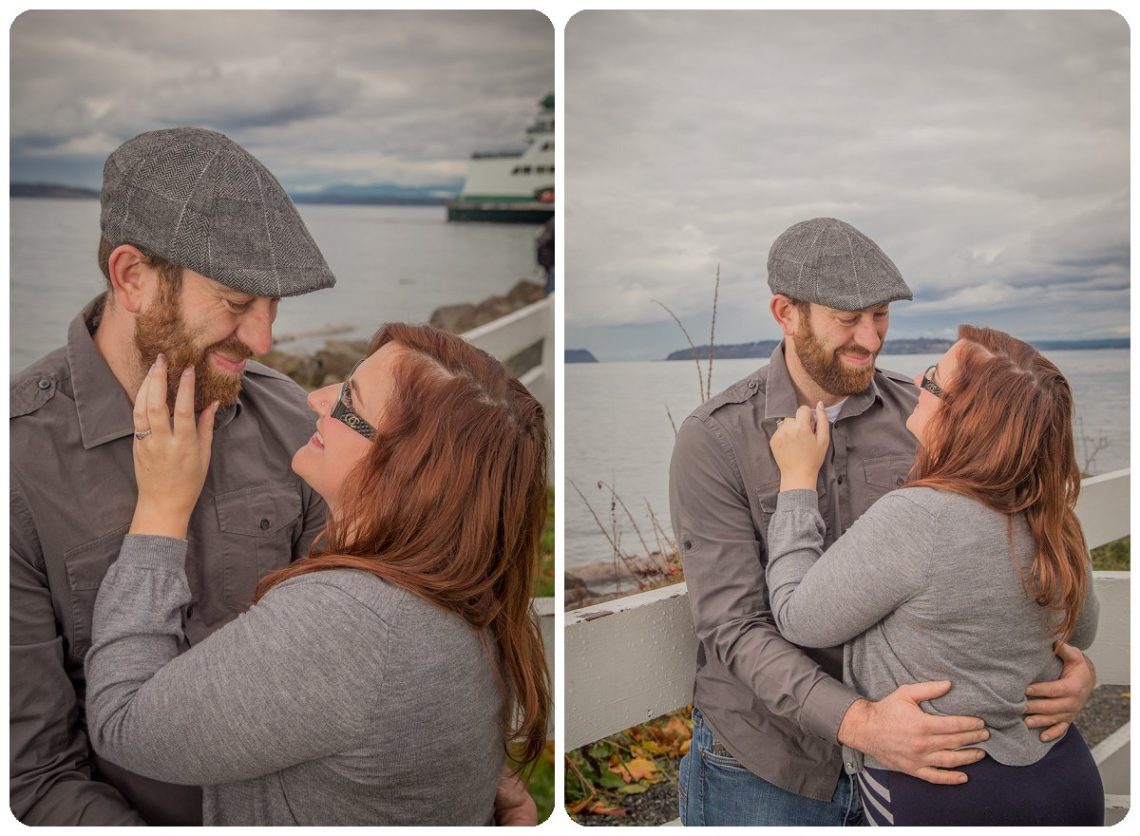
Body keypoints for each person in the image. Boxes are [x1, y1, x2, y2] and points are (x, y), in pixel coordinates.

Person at [9, 127, 535, 826]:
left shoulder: (292, 418)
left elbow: (401, 601)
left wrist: (454, 757)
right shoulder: (18, 463)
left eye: (274, 305)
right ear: (132, 277)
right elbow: (35, 775)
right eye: (235, 302)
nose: (263, 342)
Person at [668, 217, 1096, 826]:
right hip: (771, 765)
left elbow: (1009, 555)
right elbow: (733, 626)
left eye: (881, 316)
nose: (871, 340)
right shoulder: (715, 439)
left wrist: (1061, 666)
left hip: (923, 768)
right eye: (848, 319)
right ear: (786, 313)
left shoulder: (936, 418)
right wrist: (860, 723)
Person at [83, 322, 551, 825]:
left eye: (350, 401)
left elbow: (121, 721)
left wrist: (160, 510)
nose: (317, 399)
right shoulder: (464, 587)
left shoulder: (351, 622)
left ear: (407, 471)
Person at [765, 325, 1103, 825]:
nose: (917, 380)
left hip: (953, 796)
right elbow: (1080, 630)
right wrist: (1081, 672)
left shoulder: (919, 517)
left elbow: (797, 617)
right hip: (1064, 779)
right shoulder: (1053, 516)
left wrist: (795, 484)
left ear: (962, 417)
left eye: (933, 379)